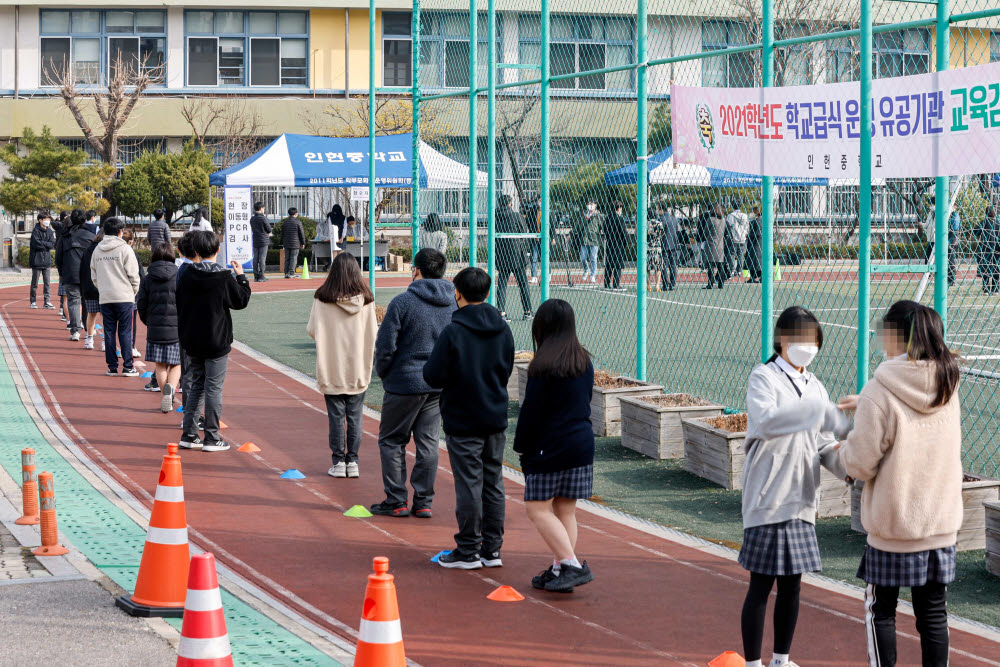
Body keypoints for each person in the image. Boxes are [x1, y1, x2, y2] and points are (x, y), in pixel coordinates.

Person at [836, 301, 961, 667]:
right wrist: (867, 404)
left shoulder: (881, 388)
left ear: (895, 337)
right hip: (939, 523)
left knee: (881, 611)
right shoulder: (948, 382)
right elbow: (913, 419)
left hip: (894, 525)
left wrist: (838, 448)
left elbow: (859, 462)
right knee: (933, 614)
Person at [740, 306, 851, 667]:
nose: (809, 346)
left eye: (814, 340)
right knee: (761, 584)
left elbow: (823, 442)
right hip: (768, 496)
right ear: (782, 340)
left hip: (802, 497)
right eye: (801, 339)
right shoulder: (764, 377)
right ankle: (753, 662)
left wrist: (848, 466)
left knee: (792, 585)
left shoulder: (815, 385)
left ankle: (781, 660)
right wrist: (816, 413)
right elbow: (768, 423)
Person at [424, 267, 514, 569]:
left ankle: (467, 550)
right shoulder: (503, 329)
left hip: (463, 418)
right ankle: (492, 549)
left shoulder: (454, 331)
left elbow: (433, 374)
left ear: (456, 293)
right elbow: (507, 366)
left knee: (470, 484)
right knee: (493, 481)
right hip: (494, 414)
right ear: (487, 293)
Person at [513, 299, 596, 592]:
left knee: (537, 509)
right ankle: (562, 568)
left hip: (550, 446)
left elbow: (531, 413)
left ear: (542, 326)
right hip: (581, 444)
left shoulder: (542, 366)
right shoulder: (584, 361)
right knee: (566, 510)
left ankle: (571, 564)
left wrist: (521, 446)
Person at [370, 248, 456, 518]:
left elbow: (385, 346)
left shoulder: (403, 302)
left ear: (416, 270)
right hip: (437, 384)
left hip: (404, 382)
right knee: (429, 443)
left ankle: (396, 499)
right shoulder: (453, 303)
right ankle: (424, 501)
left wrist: (385, 373)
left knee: (392, 440)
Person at [176, 231, 252, 452]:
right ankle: (211, 436)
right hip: (216, 339)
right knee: (213, 388)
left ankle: (189, 434)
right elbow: (241, 300)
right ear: (218, 250)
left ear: (196, 251)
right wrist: (242, 277)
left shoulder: (187, 274)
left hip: (192, 339)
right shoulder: (223, 276)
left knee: (196, 385)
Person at [307, 253, 377, 478]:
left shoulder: (322, 298)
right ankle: (353, 461)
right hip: (358, 366)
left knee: (336, 416)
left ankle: (338, 462)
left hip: (331, 366)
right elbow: (374, 332)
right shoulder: (367, 299)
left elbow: (312, 330)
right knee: (355, 415)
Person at [90, 217, 140, 376]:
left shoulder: (97, 249)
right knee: (125, 332)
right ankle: (128, 366)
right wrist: (133, 291)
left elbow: (94, 275)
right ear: (120, 232)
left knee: (109, 331)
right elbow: (134, 275)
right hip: (124, 296)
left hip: (106, 297)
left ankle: (112, 367)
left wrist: (103, 288)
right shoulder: (125, 249)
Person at [136, 243, 182, 413]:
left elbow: (141, 302)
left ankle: (165, 394)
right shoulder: (179, 275)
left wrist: (147, 320)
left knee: (160, 364)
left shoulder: (148, 278)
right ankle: (170, 387)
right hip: (177, 327)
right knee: (177, 363)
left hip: (155, 327)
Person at [55, 209, 96, 341]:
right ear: (85, 220)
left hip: (70, 274)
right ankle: (87, 329)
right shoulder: (90, 237)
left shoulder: (65, 237)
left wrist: (62, 273)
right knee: (86, 302)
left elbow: (58, 258)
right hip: (87, 274)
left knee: (73, 302)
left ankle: (75, 331)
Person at [495, 194, 533, 320]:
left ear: (500, 204)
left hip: (502, 254)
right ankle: (527, 311)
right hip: (517, 254)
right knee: (523, 284)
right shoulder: (516, 215)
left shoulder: (495, 216)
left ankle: (501, 312)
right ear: (510, 203)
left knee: (502, 285)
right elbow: (523, 231)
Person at [121, 228, 146, 361]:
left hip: (116, 291)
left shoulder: (115, 252)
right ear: (131, 241)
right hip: (130, 292)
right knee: (131, 321)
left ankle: (117, 346)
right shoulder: (132, 254)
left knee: (116, 321)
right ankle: (130, 346)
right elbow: (140, 274)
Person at [922, 195, 957, 287]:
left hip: (942, 240)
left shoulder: (944, 214)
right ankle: (929, 277)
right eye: (931, 204)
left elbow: (953, 229)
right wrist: (921, 225)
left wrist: (949, 241)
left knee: (948, 260)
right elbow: (927, 225)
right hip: (932, 239)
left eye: (933, 204)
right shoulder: (930, 213)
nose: (931, 206)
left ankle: (950, 279)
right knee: (928, 258)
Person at [79, 230, 103, 351]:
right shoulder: (106, 250)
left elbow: (82, 269)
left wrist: (83, 286)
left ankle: (89, 339)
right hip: (105, 288)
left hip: (90, 287)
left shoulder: (89, 249)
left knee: (91, 314)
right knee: (106, 316)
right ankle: (105, 341)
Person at [28, 211, 56, 310]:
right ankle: (33, 301)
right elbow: (36, 244)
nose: (48, 221)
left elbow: (52, 244)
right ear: (40, 220)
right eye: (46, 219)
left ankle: (47, 302)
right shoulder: (35, 231)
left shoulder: (50, 231)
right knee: (35, 283)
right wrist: (46, 245)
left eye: (49, 219)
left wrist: (44, 244)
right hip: (37, 260)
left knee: (47, 283)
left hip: (47, 261)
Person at [575, 198, 603, 284]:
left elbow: (602, 226)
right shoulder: (584, 215)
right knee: (583, 258)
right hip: (584, 239)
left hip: (594, 240)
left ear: (596, 205)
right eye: (589, 203)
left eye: (592, 204)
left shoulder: (599, 216)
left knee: (593, 258)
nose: (590, 205)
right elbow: (578, 225)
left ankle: (592, 275)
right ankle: (586, 269)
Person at [604, 201, 628, 291]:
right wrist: (625, 242)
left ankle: (606, 284)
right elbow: (623, 232)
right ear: (619, 208)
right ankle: (616, 284)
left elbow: (605, 229)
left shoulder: (608, 218)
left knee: (609, 264)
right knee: (617, 265)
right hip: (618, 244)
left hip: (610, 243)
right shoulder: (619, 219)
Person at [704, 202, 727, 290]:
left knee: (710, 265)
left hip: (712, 243)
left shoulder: (711, 219)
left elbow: (706, 231)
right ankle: (721, 283)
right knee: (720, 265)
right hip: (720, 244)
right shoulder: (723, 220)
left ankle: (710, 283)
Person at [976, 205, 999, 294]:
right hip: (996, 249)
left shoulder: (984, 223)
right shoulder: (998, 223)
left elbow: (976, 232)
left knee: (985, 270)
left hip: (985, 249)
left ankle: (986, 289)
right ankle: (995, 289)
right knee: (996, 270)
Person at [726, 199, 751, 279]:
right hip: (742, 238)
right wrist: (745, 234)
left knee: (731, 254)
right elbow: (748, 227)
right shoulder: (745, 216)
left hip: (733, 238)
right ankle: (739, 270)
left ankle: (731, 270)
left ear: (733, 206)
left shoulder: (730, 216)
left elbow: (728, 226)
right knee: (740, 254)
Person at [249, 202, 272, 282]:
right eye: (263, 208)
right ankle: (261, 276)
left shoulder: (252, 218)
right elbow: (269, 229)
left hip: (256, 239)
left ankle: (256, 276)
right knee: (262, 258)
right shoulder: (263, 218)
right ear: (261, 208)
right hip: (263, 240)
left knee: (256, 258)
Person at [281, 207, 306, 278]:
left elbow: (282, 233)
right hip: (295, 243)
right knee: (294, 258)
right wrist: (303, 243)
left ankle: (286, 273)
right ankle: (292, 273)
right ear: (296, 214)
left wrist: (283, 241)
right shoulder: (298, 222)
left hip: (286, 243)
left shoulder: (285, 222)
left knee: (287, 258)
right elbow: (301, 233)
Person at [660, 206, 680, 291]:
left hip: (664, 244)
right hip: (674, 244)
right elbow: (677, 231)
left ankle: (665, 284)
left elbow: (660, 231)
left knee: (664, 265)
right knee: (673, 265)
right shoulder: (674, 219)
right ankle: (672, 283)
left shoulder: (661, 219)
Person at [53, 211, 69, 319]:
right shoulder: (61, 229)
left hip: (66, 266)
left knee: (67, 293)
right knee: (65, 292)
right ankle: (62, 310)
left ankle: (65, 312)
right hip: (64, 266)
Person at [523, 195, 542, 284]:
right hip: (534, 238)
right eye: (539, 200)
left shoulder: (547, 211)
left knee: (544, 258)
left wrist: (552, 237)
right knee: (533, 258)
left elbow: (552, 225)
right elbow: (527, 221)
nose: (540, 202)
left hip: (543, 239)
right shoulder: (533, 211)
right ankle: (534, 276)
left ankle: (547, 274)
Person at [646, 208, 664, 292]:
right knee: (658, 268)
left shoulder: (646, 224)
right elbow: (663, 233)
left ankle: (648, 285)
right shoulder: (659, 223)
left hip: (648, 247)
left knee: (648, 268)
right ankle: (657, 285)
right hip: (657, 247)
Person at [746, 203, 764, 284]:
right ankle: (753, 277)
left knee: (757, 262)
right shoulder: (757, 221)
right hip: (755, 244)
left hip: (756, 244)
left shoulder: (758, 221)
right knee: (754, 261)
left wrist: (749, 235)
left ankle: (759, 277)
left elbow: (758, 233)